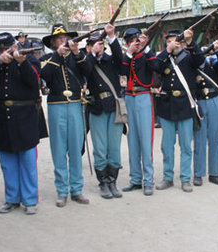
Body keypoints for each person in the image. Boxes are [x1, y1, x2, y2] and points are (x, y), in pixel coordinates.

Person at [0, 32, 42, 214]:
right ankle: (12, 198)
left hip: (24, 114)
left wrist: (21, 62)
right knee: (7, 161)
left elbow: (33, 81)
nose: (5, 51)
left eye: (7, 48)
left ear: (15, 46)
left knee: (27, 161)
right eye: (1, 49)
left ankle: (30, 199)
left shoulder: (29, 59)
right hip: (4, 114)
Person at [40, 24, 91, 207]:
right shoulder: (48, 58)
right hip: (56, 106)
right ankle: (62, 190)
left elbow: (88, 71)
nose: (63, 40)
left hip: (76, 104)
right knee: (59, 150)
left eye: (65, 37)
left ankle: (77, 189)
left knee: (76, 149)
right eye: (59, 38)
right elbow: (45, 75)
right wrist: (57, 55)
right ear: (53, 42)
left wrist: (77, 53)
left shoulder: (77, 56)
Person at [153, 29, 204, 192]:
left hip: (185, 106)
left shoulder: (189, 58)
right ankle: (168, 177)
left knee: (186, 146)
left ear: (181, 43)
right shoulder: (164, 58)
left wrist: (191, 42)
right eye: (168, 41)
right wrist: (166, 51)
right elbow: (155, 66)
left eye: (174, 41)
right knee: (167, 146)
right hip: (167, 106)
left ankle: (185, 178)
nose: (171, 44)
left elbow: (200, 60)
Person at [84, 25, 125, 199]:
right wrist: (92, 54)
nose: (98, 46)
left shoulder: (111, 60)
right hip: (97, 108)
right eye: (94, 44)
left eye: (100, 44)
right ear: (89, 47)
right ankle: (103, 183)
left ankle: (112, 181)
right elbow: (84, 71)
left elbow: (121, 61)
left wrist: (111, 36)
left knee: (114, 147)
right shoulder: (87, 61)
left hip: (113, 106)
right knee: (100, 148)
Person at [121, 28, 159, 196]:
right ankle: (135, 179)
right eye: (131, 41)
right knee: (133, 140)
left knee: (146, 140)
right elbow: (122, 71)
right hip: (129, 96)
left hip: (143, 95)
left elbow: (156, 66)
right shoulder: (127, 57)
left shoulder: (146, 55)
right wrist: (129, 52)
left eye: (136, 40)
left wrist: (146, 47)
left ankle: (148, 180)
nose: (134, 44)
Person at [193, 38, 218, 186]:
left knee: (214, 138)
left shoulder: (213, 64)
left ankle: (214, 173)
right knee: (200, 140)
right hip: (199, 100)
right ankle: (198, 174)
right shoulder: (191, 65)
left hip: (214, 99)